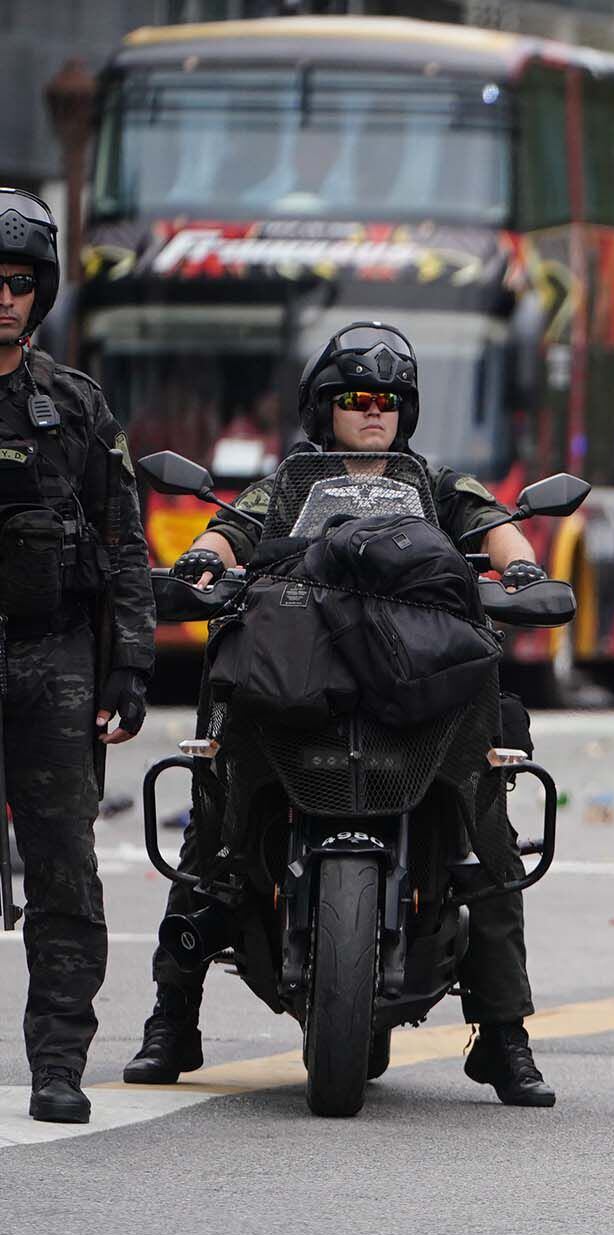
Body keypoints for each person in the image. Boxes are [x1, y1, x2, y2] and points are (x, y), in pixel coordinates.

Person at [124, 323, 558, 1107]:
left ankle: (503, 1037)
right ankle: (171, 1018)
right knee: (212, 813)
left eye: (388, 401)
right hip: (299, 686)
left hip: (411, 691)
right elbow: (228, 530)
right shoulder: (287, 484)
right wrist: (203, 561)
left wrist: (518, 562)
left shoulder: (432, 484)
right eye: (356, 399)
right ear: (324, 409)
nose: (373, 413)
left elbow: (494, 524)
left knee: (482, 826)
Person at [0, 189, 154, 1124]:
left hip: (52, 659)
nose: (3, 299)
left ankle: (58, 1061)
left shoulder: (73, 405)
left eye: (19, 283)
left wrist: (129, 669)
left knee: (63, 869)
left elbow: (125, 542)